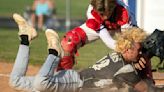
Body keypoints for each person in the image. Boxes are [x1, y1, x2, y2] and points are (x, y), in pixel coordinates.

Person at [10, 13, 164, 92]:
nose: (140, 52)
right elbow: (145, 89)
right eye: (138, 49)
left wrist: (139, 63)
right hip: (74, 84)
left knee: (15, 81)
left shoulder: (119, 55)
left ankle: (25, 37)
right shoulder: (126, 69)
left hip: (67, 82)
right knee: (40, 82)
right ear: (128, 48)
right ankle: (54, 52)